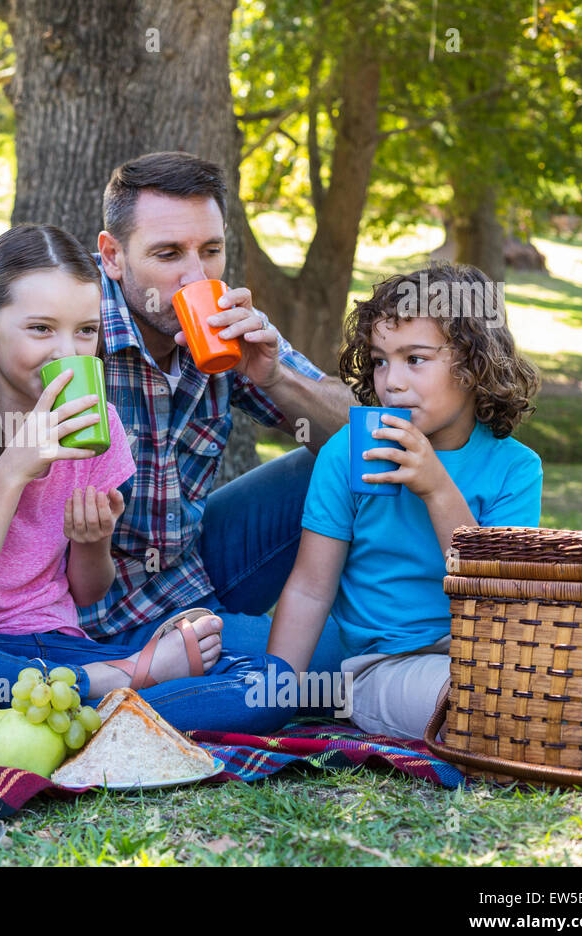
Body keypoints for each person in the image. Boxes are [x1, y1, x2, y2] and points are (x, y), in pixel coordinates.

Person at [0, 224, 296, 733]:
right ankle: (105, 689)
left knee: (272, 682)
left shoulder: (97, 426)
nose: (68, 352)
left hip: (57, 643)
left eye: (85, 331)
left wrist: (93, 541)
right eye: (41, 329)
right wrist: (13, 469)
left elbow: (87, 592)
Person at [85, 150, 354, 692]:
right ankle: (132, 675)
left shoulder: (228, 324)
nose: (195, 275)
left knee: (344, 456)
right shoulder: (68, 322)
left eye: (211, 251)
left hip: (192, 575)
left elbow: (367, 431)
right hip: (97, 614)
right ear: (113, 256)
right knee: (333, 668)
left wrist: (277, 376)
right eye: (168, 254)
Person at [267, 263, 544, 739]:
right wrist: (273, 695)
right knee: (480, 705)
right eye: (379, 360)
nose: (391, 381)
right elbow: (310, 589)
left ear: (474, 365)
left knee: (568, 683)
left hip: (489, 653)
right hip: (384, 665)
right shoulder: (350, 454)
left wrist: (437, 488)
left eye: (415, 359)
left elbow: (502, 596)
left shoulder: (516, 468)